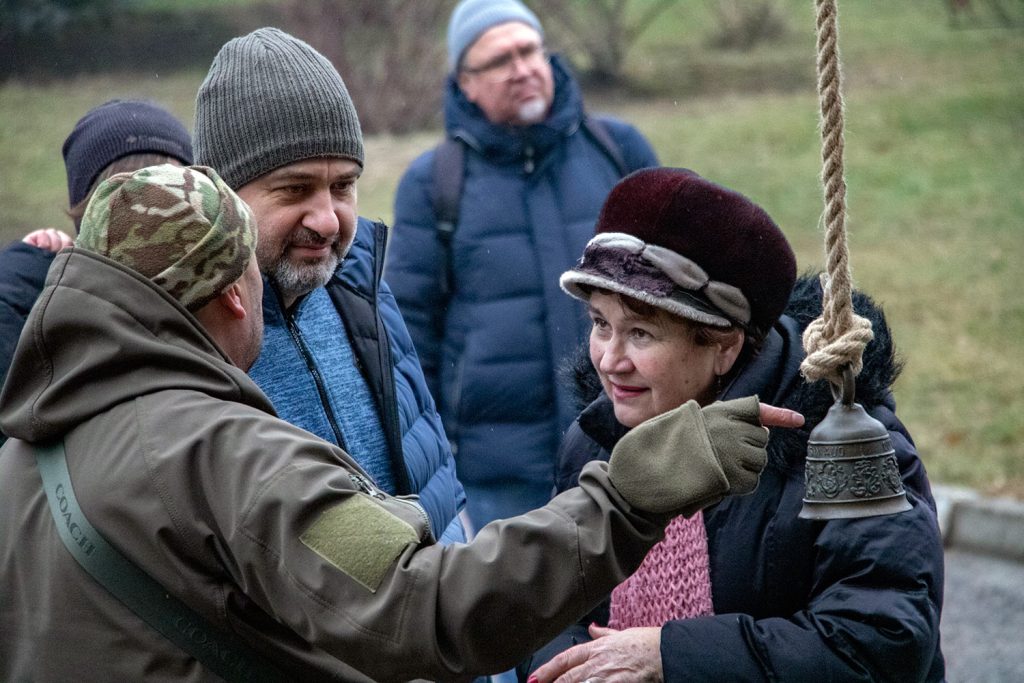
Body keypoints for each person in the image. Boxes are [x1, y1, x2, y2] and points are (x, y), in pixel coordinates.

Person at [0, 163, 802, 681]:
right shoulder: (230, 455)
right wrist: (624, 498)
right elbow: (425, 603)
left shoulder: (22, 454)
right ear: (236, 295)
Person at [523, 167, 946, 682]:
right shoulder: (595, 438)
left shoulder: (846, 443)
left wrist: (671, 659)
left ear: (724, 345)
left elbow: (880, 644)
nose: (609, 361)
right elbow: (541, 609)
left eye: (641, 333)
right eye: (600, 324)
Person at [384, 0, 660, 533]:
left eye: (530, 50)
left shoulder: (619, 150)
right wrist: (428, 464)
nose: (522, 68)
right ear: (465, 83)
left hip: (623, 448)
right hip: (497, 474)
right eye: (499, 60)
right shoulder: (433, 183)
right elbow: (409, 337)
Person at [193, 27, 466, 543]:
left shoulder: (362, 286)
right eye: (295, 189)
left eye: (343, 186)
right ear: (223, 193)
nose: (327, 221)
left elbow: (437, 498)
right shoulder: (189, 337)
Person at [0, 99, 193, 393]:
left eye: (171, 193)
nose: (148, 213)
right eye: (124, 197)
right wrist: (22, 274)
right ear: (87, 214)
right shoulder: (49, 305)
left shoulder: (219, 288)